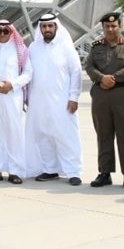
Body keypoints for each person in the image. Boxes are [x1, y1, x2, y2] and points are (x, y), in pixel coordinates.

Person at [83, 12, 124, 190]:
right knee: (103, 134)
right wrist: (101, 78)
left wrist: (113, 78)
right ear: (103, 28)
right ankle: (105, 173)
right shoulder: (96, 47)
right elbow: (89, 65)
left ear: (120, 27)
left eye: (114, 26)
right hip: (101, 96)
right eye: (107, 26)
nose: (110, 29)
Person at [24, 13, 83, 186]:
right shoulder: (33, 48)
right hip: (38, 101)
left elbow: (76, 72)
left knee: (66, 136)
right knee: (43, 135)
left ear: (56, 27)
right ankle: (50, 169)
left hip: (62, 101)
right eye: (44, 26)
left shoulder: (66, 47)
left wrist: (74, 97)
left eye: (50, 26)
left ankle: (73, 171)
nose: (47, 29)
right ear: (40, 28)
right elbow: (28, 72)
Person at [0, 19, 32, 184]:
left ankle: (14, 171)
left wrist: (12, 84)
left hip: (12, 96)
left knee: (13, 133)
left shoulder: (20, 50)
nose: (2, 34)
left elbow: (28, 73)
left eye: (5, 31)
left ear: (11, 32)